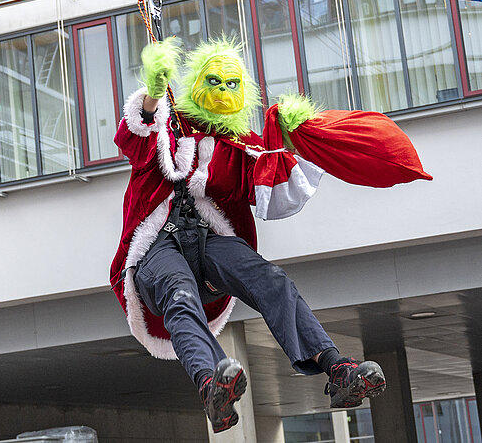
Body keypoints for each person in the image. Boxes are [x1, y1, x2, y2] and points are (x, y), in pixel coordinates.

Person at [109, 38, 429, 432]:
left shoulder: (239, 148)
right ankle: (212, 385)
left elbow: (269, 180)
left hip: (209, 245)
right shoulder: (166, 128)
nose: (223, 91)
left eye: (231, 84)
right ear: (196, 86)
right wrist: (153, 98)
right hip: (156, 248)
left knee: (269, 279)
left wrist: (295, 130)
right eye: (215, 82)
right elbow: (132, 137)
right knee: (179, 292)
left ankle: (336, 368)